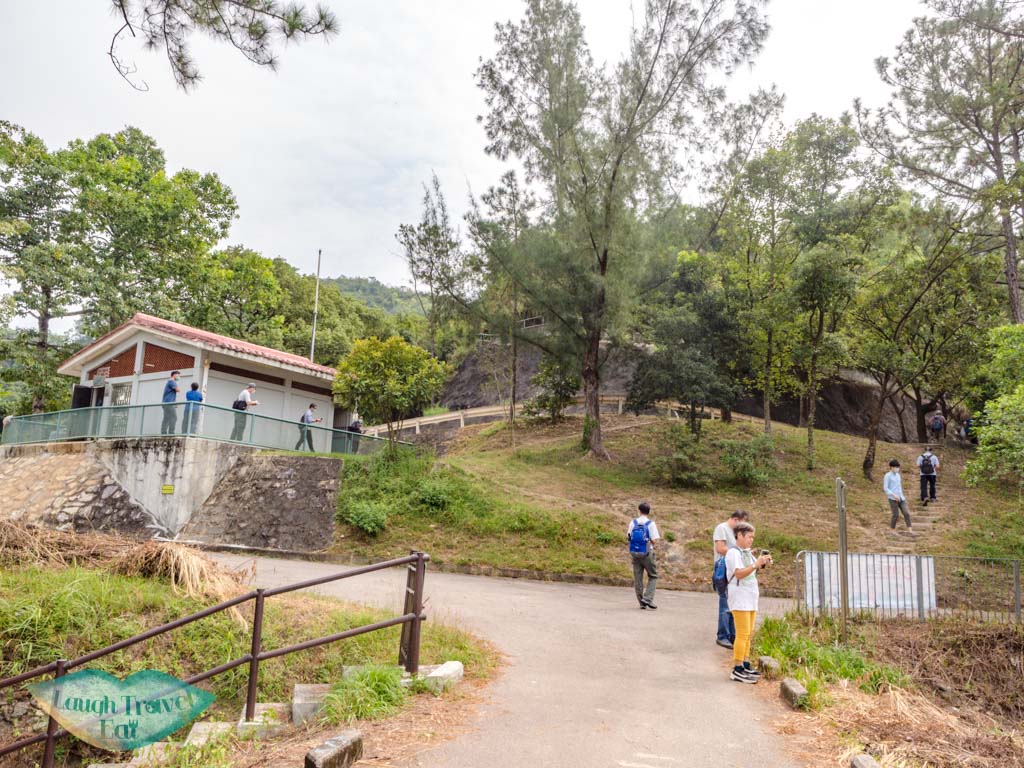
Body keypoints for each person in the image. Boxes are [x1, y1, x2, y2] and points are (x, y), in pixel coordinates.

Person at [725, 522, 771, 683]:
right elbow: (739, 573)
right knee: (742, 633)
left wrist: (762, 563)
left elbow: (753, 569)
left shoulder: (746, 553)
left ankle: (745, 663)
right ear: (739, 535)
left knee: (749, 633)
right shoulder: (733, 553)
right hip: (740, 597)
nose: (751, 540)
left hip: (750, 597)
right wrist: (756, 564)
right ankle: (737, 668)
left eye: (753, 537)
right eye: (749, 537)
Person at [713, 510, 750, 649]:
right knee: (725, 603)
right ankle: (722, 636)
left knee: (733, 603)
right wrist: (738, 552)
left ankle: (732, 635)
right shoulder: (722, 528)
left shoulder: (735, 533)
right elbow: (720, 548)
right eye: (741, 524)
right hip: (723, 569)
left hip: (733, 570)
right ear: (735, 520)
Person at [627, 501, 661, 609]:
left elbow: (629, 537)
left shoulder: (633, 523)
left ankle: (641, 602)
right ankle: (647, 598)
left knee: (638, 578)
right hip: (647, 553)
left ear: (639, 511)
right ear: (648, 512)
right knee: (653, 575)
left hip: (635, 553)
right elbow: (654, 541)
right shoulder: (651, 524)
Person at [883, 459, 914, 533]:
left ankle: (910, 531)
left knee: (906, 513)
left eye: (898, 467)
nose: (897, 468)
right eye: (896, 467)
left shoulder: (898, 475)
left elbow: (899, 487)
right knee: (896, 515)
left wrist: (900, 495)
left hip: (901, 497)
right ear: (891, 467)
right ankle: (892, 530)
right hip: (892, 498)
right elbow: (885, 488)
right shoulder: (887, 476)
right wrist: (893, 495)